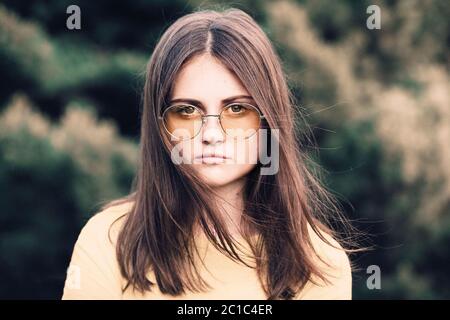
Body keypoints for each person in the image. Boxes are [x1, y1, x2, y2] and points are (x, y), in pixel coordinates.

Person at [62, 8, 353, 300]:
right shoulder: (109, 240)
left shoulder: (319, 260)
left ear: (269, 119)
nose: (211, 135)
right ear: (160, 126)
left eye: (237, 109)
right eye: (187, 111)